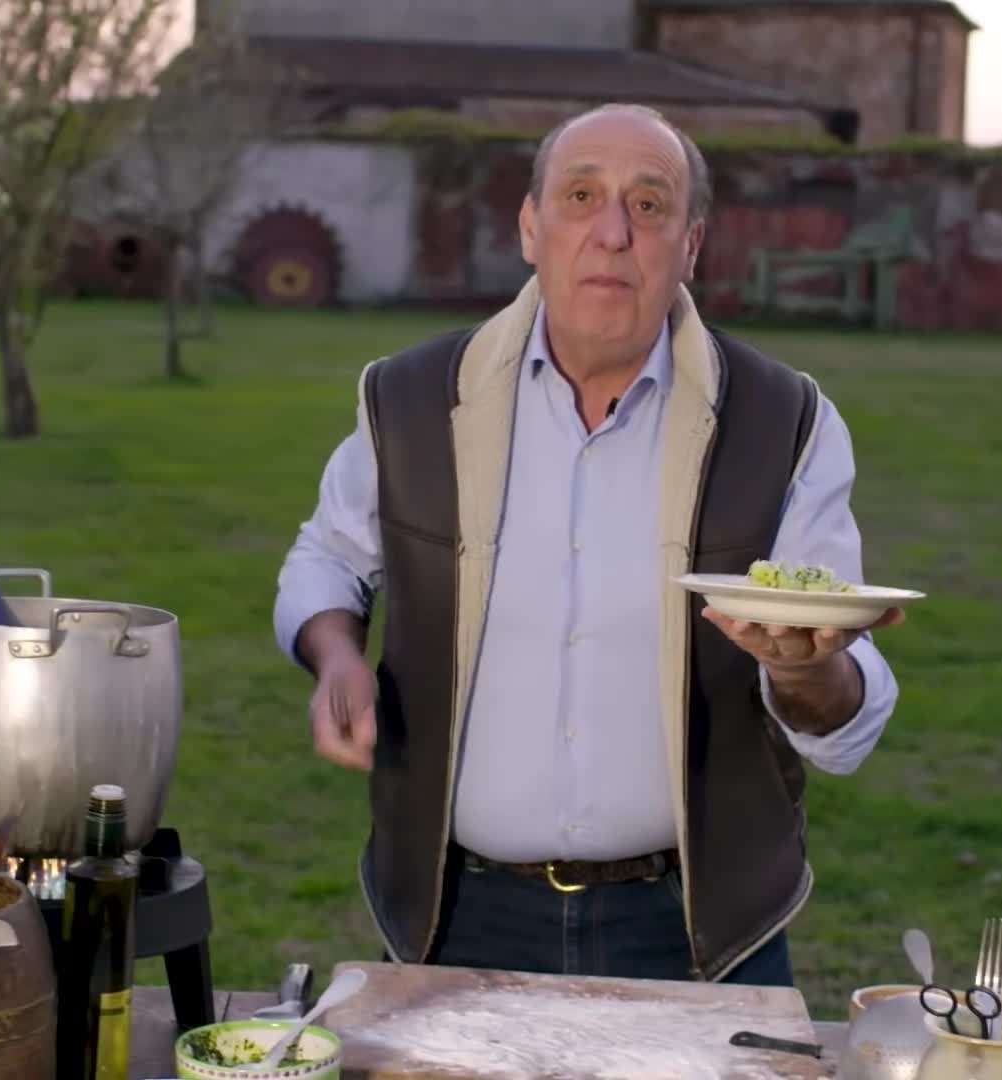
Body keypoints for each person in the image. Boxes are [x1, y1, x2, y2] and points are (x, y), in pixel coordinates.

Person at [272, 102, 902, 987]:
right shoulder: (413, 402)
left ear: (690, 245)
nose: (612, 233)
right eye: (580, 197)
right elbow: (327, 559)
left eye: (649, 206)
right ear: (532, 227)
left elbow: (841, 709)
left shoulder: (784, 421)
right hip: (456, 918)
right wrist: (336, 654)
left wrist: (805, 670)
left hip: (702, 934)